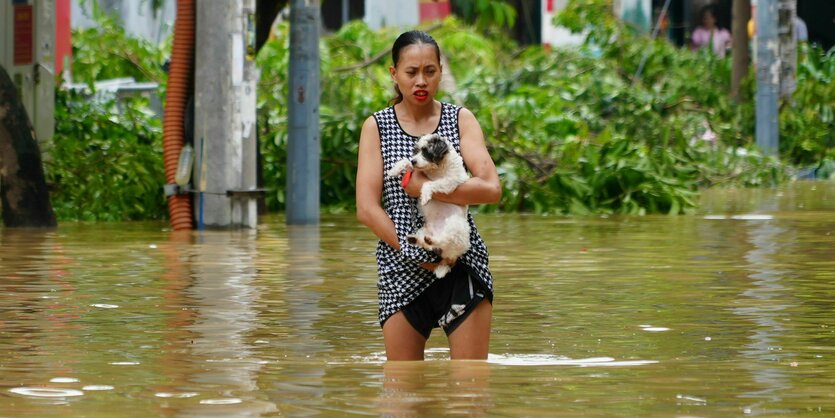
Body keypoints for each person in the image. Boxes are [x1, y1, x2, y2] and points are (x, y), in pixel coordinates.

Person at [355, 30, 501, 361]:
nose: (421, 81)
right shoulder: (376, 126)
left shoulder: (460, 119)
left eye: (430, 71)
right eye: (411, 72)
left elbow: (491, 188)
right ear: (394, 74)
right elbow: (366, 208)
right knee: (402, 395)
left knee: (469, 395)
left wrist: (424, 188)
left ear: (440, 71)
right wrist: (413, 251)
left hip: (460, 264)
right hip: (400, 268)